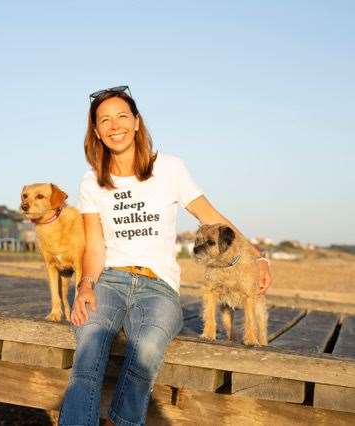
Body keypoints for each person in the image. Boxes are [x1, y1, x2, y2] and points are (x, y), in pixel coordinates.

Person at [58, 86, 272, 426]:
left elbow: (212, 218)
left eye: (122, 116)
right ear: (96, 132)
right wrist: (85, 286)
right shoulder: (91, 182)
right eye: (105, 120)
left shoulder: (170, 168)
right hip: (108, 280)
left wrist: (258, 256)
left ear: (137, 122)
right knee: (88, 355)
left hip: (158, 289)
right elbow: (95, 246)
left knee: (145, 351)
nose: (115, 126)